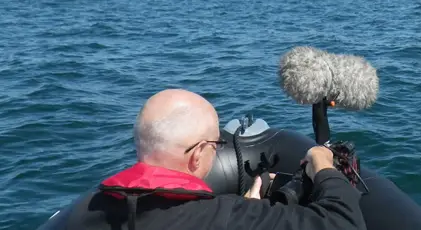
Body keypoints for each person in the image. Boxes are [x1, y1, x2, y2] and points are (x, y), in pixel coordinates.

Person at [43, 89, 367, 230]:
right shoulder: (222, 218)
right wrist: (322, 163)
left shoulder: (83, 210)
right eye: (216, 143)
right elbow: (343, 222)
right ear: (198, 155)